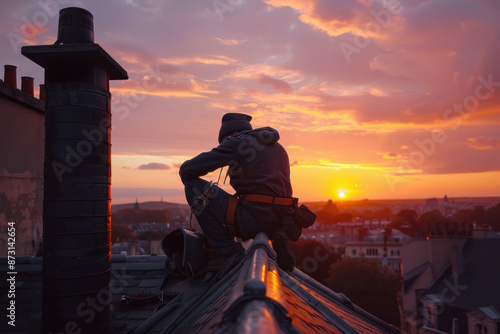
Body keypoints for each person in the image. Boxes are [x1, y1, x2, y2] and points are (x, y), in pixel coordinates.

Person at [179, 113, 297, 272]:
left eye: (223, 143)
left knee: (193, 186)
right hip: (283, 221)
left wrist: (225, 150)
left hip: (254, 218)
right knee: (254, 206)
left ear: (232, 134)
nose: (223, 146)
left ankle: (227, 252)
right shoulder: (277, 147)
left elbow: (187, 170)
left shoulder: (237, 142)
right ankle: (276, 235)